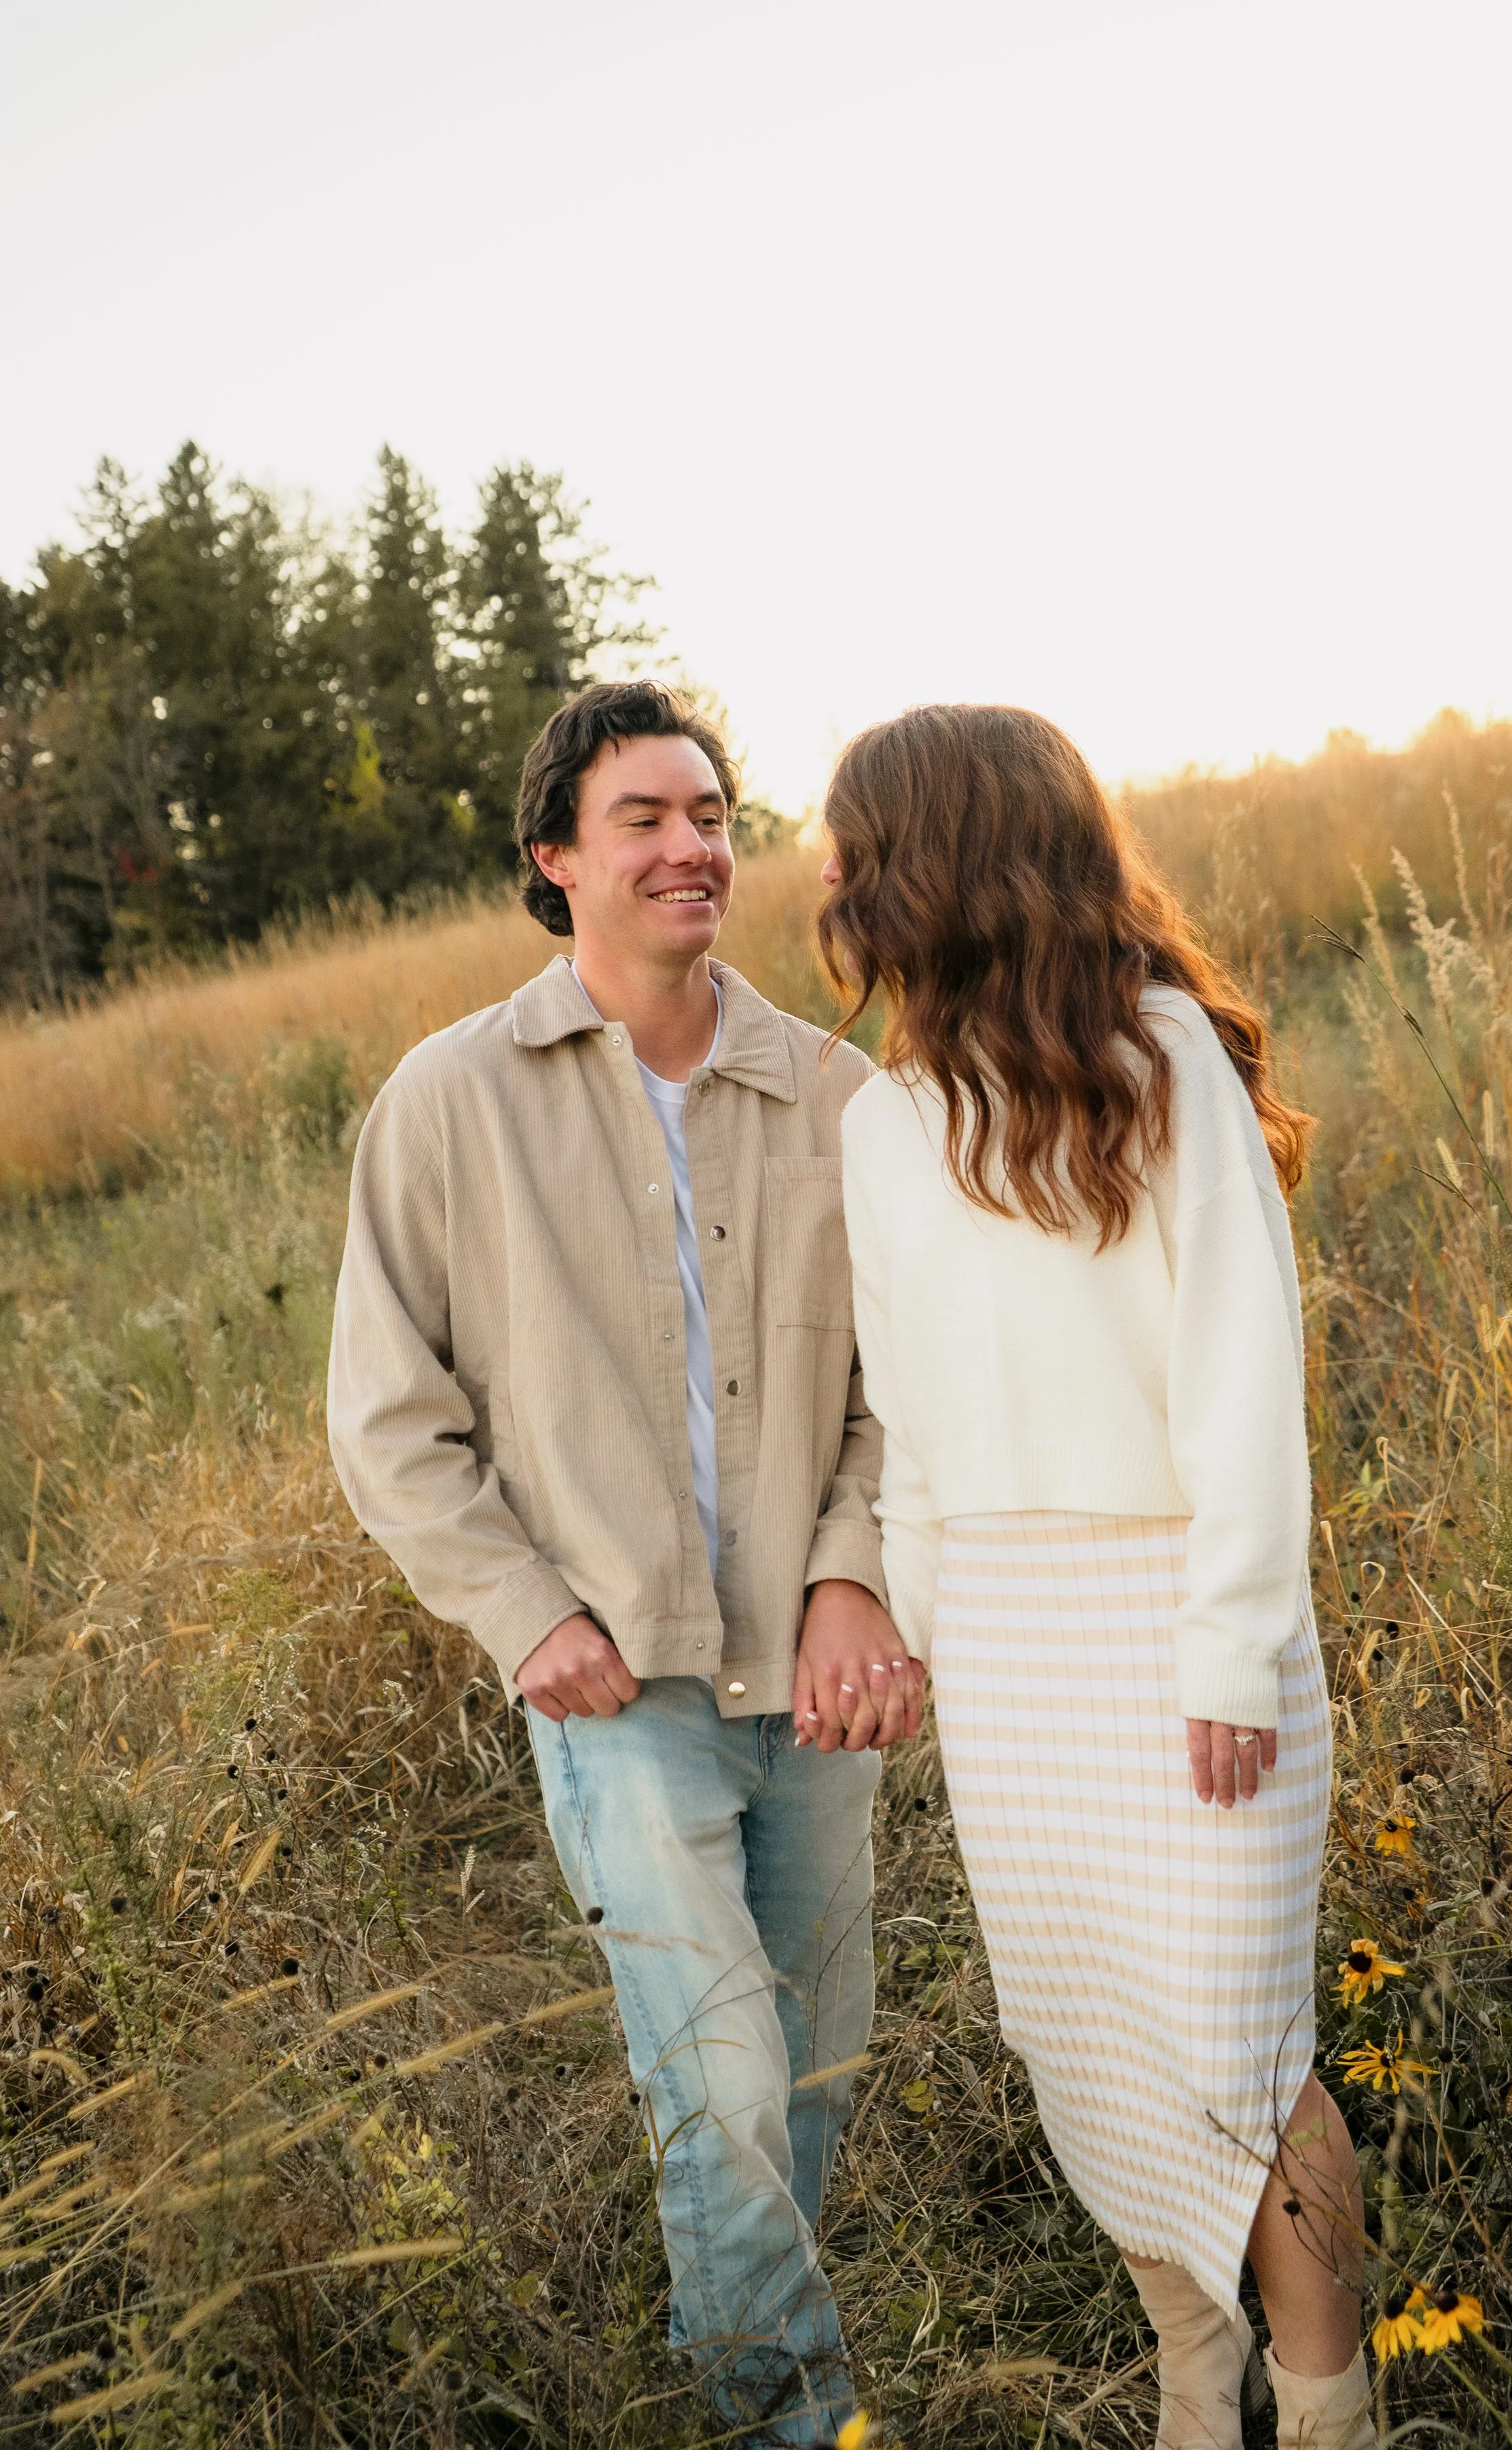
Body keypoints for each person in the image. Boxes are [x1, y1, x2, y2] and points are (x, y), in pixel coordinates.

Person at [327, 679, 920, 2447]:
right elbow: (388, 1417)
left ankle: (728, 2337)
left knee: (805, 2065)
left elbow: (909, 1388)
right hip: (617, 1690)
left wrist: (854, 1573)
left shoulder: (837, 1092)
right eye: (645, 817)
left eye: (712, 811)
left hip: (816, 1685)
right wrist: (525, 1611)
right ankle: (791, 2419)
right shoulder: (450, 1102)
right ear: (554, 860)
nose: (692, 846)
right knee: (719, 2063)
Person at [818, 704, 1371, 2450]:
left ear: (943, 854)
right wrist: (918, 1636)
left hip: (1179, 1628)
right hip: (1003, 1653)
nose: (823, 878)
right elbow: (901, 1406)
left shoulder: (1157, 1061)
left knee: (1239, 2068)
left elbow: (1238, 1382)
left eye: (853, 843)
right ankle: (1190, 2388)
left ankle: (1329, 2412)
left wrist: (1225, 1653)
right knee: (1090, 2052)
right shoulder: (883, 1117)